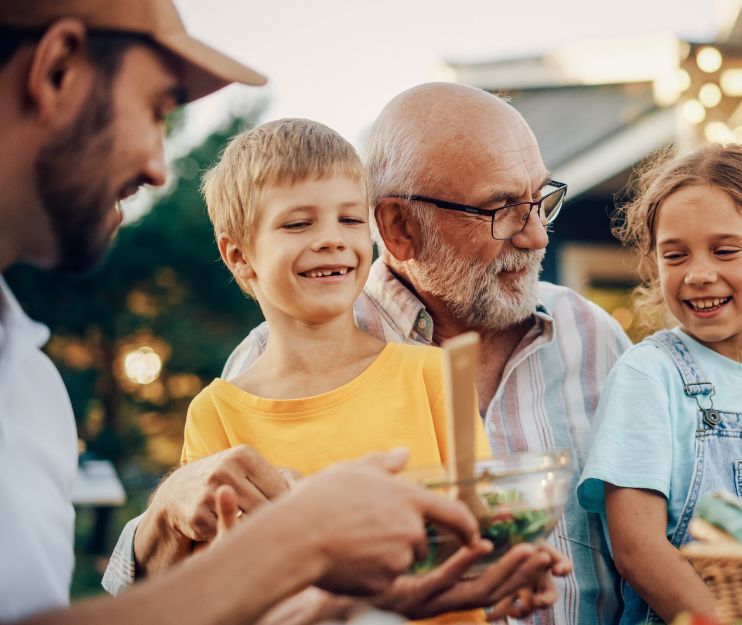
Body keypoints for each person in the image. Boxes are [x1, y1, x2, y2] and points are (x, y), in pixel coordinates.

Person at [0, 2, 485, 623]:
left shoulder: (29, 381)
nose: (157, 165)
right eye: (154, 109)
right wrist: (305, 548)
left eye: (348, 219)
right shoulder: (218, 411)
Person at [108, 82, 633, 625]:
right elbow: (200, 588)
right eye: (501, 208)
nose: (537, 236)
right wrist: (169, 512)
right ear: (398, 228)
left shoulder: (592, 335)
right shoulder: (237, 388)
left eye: (541, 200)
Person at [182, 116, 566, 623]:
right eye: (299, 223)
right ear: (240, 257)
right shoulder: (217, 413)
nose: (331, 240)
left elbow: (478, 529)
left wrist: (512, 566)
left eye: (350, 220)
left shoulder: (432, 374)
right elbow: (216, 587)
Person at [577, 144, 742, 625]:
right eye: (675, 255)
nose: (699, 274)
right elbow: (638, 549)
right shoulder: (650, 375)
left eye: (724, 250)